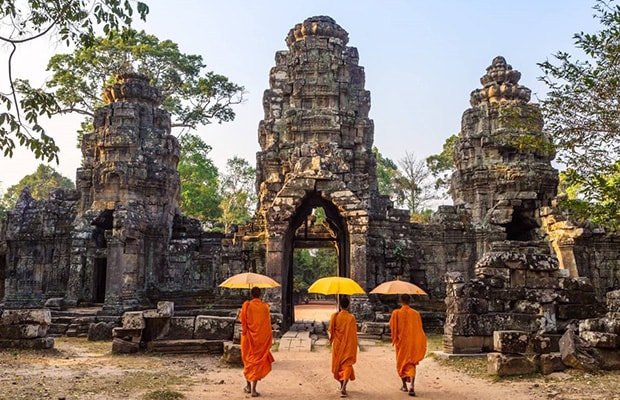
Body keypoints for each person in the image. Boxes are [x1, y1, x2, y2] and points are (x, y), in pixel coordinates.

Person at [389, 293, 427, 397]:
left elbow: (392, 326)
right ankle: (412, 385)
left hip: (401, 343)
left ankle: (404, 385)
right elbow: (419, 328)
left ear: (400, 301)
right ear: (410, 301)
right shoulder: (415, 314)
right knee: (411, 363)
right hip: (412, 342)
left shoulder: (396, 313)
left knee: (401, 363)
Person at [240, 286, 275, 397]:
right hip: (260, 339)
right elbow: (267, 325)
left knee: (248, 361)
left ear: (251, 294)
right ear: (260, 294)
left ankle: (248, 386)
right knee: (257, 362)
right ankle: (254, 389)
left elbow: (243, 322)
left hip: (248, 339)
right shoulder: (265, 307)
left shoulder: (247, 306)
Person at [328, 295, 358, 398]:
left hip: (337, 344)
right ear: (349, 305)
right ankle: (344, 386)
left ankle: (342, 386)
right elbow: (353, 333)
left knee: (339, 365)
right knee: (347, 365)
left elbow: (330, 331)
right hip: (348, 345)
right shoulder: (351, 318)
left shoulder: (335, 316)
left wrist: (330, 340)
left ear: (340, 305)